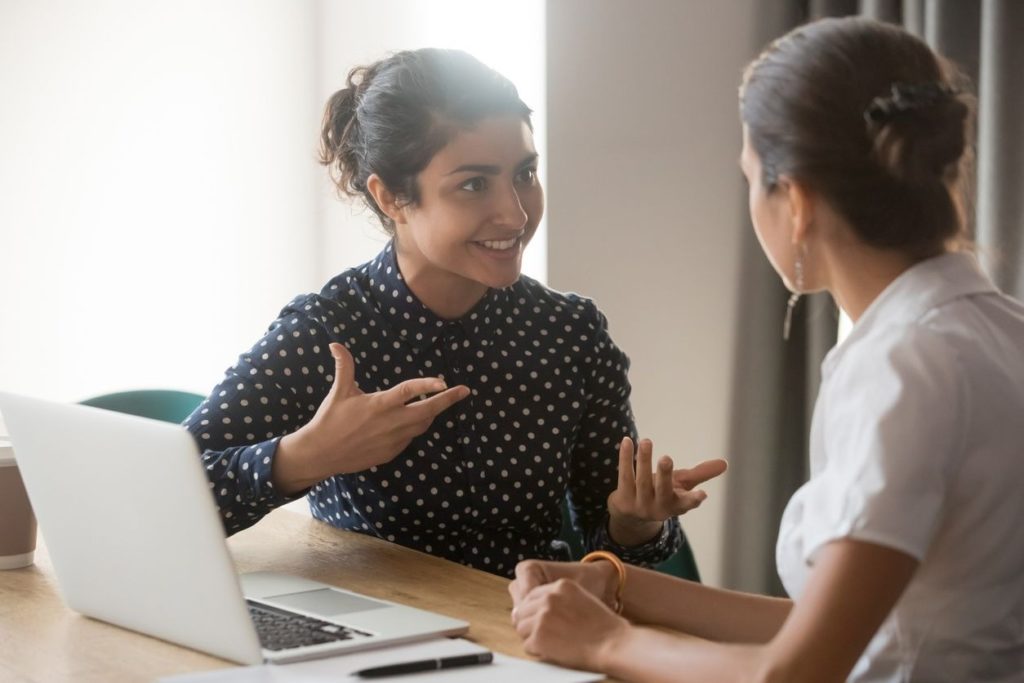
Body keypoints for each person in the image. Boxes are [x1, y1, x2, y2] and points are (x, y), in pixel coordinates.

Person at [508, 17, 1024, 682]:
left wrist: (606, 644)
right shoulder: (997, 329)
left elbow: (798, 670)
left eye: (752, 178)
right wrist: (613, 583)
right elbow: (857, 628)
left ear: (798, 201)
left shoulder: (903, 367)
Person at [185, 48, 726, 579]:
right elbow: (167, 500)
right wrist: (305, 457)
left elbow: (609, 551)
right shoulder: (326, 334)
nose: (515, 213)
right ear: (392, 197)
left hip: (526, 632)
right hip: (371, 639)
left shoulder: (570, 334)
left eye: (525, 173)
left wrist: (633, 525)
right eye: (473, 184)